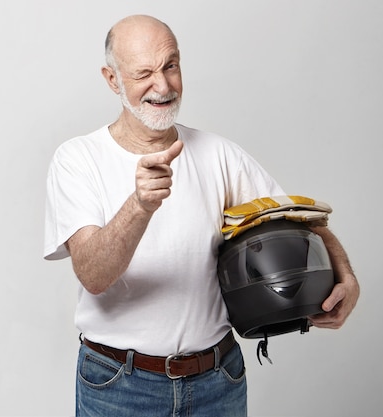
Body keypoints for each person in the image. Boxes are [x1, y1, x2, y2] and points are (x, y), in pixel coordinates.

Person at [43, 14, 359, 417]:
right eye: (144, 73)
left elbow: (298, 219)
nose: (163, 85)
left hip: (217, 381)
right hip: (119, 386)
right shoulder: (78, 159)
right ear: (112, 79)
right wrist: (139, 205)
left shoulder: (218, 154)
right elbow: (93, 274)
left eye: (170, 66)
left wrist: (345, 276)